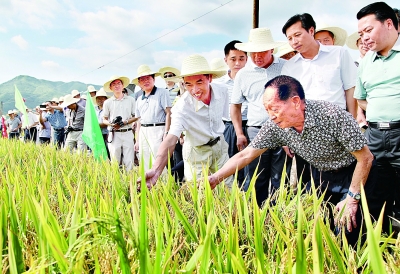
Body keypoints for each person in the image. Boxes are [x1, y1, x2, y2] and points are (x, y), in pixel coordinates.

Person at [208, 75, 382, 246]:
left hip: (355, 174)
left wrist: (352, 198)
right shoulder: (275, 127)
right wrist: (215, 178)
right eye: (267, 110)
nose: (271, 116)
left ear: (296, 102)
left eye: (274, 109)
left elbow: (365, 158)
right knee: (318, 229)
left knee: (347, 231)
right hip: (322, 175)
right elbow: (246, 155)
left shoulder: (332, 115)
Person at [139, 54, 232, 189]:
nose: (195, 90)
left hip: (220, 146)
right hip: (197, 153)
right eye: (188, 84)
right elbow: (171, 139)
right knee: (200, 194)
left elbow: (224, 116)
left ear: (209, 78)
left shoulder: (222, 91)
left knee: (228, 188)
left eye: (199, 82)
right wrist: (156, 169)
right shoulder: (182, 107)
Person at [354, 2, 400, 222]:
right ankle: (375, 249)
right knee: (372, 197)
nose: (364, 37)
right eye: (361, 33)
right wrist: (381, 112)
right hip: (375, 136)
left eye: (369, 30)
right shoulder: (366, 62)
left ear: (389, 23)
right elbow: (361, 98)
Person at [231, 28, 287, 206]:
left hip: (283, 129)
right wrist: (240, 133)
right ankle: (255, 216)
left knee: (280, 177)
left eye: (262, 51)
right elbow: (235, 106)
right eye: (252, 52)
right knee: (256, 176)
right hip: (256, 131)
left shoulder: (285, 67)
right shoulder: (243, 74)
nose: (257, 56)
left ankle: (279, 217)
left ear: (272, 49)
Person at [281, 13, 357, 118]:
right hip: (307, 122)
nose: (294, 42)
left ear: (311, 31)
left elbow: (350, 88)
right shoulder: (289, 66)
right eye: (289, 38)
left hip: (338, 119)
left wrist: (352, 121)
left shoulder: (339, 53)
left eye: (297, 35)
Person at [212, 40, 248, 187]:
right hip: (228, 127)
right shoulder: (218, 84)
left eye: (242, 58)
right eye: (233, 59)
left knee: (249, 165)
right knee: (228, 163)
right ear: (226, 60)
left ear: (247, 59)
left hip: (250, 125)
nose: (238, 63)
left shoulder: (251, 79)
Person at [132, 65, 172, 172]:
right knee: (144, 159)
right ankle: (148, 185)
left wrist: (166, 133)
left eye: (148, 78)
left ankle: (163, 185)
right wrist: (137, 140)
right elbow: (139, 121)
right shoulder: (139, 99)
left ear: (153, 79)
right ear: (139, 84)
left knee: (158, 159)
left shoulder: (162, 92)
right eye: (142, 79)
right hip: (143, 131)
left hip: (158, 129)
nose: (146, 81)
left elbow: (168, 113)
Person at [103, 76, 138, 171]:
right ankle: (116, 182)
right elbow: (104, 119)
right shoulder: (107, 102)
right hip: (114, 134)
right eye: (114, 84)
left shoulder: (131, 100)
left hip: (128, 132)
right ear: (110, 88)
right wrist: (110, 124)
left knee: (129, 160)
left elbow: (136, 116)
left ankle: (130, 181)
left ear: (123, 86)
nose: (116, 86)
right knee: (114, 159)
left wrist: (125, 122)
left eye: (119, 83)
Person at [346, 31, 370, 129]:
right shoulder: (353, 65)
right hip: (360, 108)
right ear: (357, 45)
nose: (364, 45)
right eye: (361, 43)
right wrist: (358, 113)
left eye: (366, 43)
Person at [95, 88, 111, 159]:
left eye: (102, 98)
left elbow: (108, 122)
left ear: (106, 99)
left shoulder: (109, 108)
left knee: (108, 150)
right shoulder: (94, 109)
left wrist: (96, 125)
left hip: (106, 133)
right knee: (99, 151)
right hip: (97, 134)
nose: (100, 100)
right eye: (98, 98)